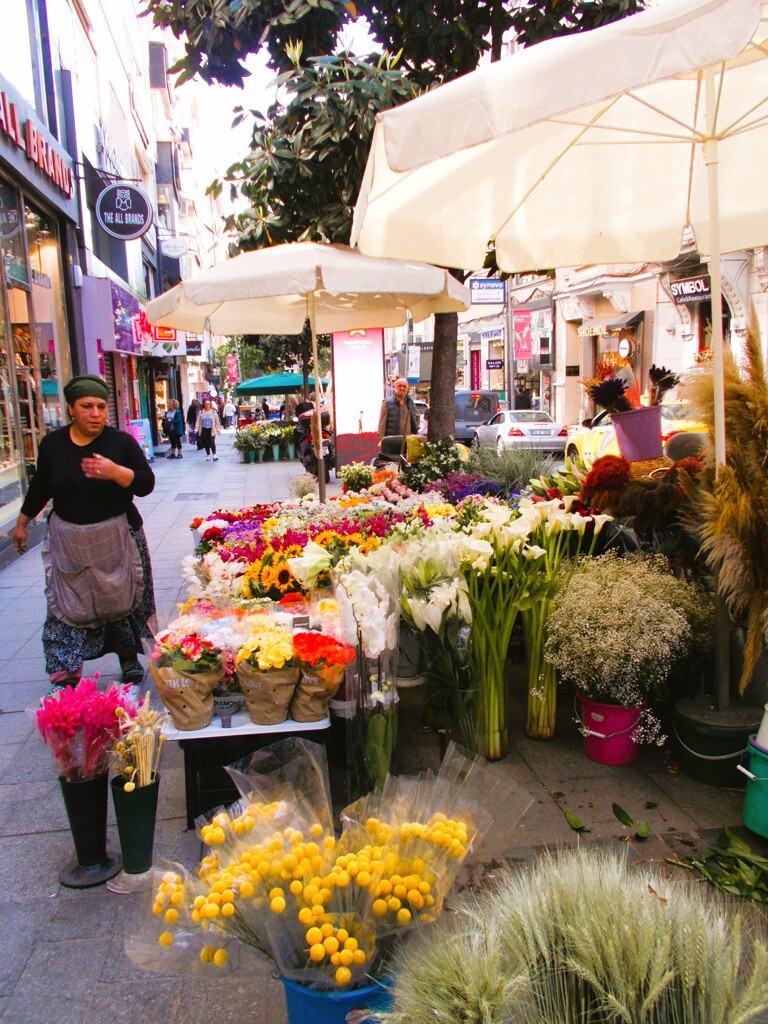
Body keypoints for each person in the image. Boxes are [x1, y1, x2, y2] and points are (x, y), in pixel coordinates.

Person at [11, 374, 156, 690]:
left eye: (101, 406)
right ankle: (65, 672)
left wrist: (116, 472)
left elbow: (146, 483)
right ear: (71, 410)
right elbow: (40, 488)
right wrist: (22, 522)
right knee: (66, 607)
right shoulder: (53, 445)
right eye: (87, 406)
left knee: (124, 601)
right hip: (70, 541)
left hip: (118, 537)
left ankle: (129, 659)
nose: (96, 413)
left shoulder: (120, 443)